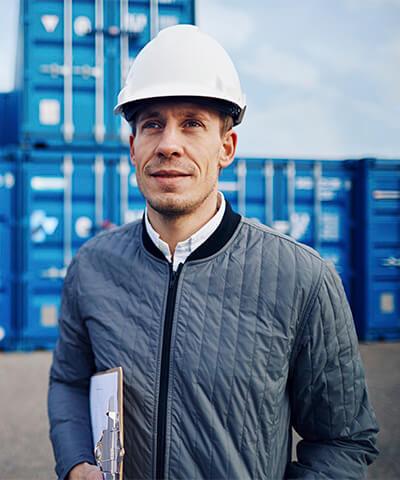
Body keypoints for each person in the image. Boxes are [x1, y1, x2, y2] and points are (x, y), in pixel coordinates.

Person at [48, 25, 378, 480]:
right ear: (132, 147)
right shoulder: (91, 267)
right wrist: (77, 463)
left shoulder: (303, 279)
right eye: (152, 124)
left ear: (226, 147)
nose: (168, 144)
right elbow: (69, 380)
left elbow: (343, 440)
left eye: (192, 123)